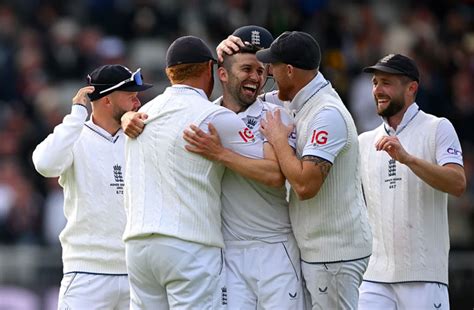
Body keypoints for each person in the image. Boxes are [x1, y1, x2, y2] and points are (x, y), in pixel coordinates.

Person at [122, 35, 265, 309]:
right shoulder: (214, 116)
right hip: (189, 245)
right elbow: (272, 170)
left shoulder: (140, 116)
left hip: (138, 247)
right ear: (209, 69)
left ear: (169, 73)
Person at [183, 25, 306, 309]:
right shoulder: (207, 113)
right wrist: (130, 119)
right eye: (247, 69)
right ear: (223, 73)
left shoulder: (275, 115)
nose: (256, 78)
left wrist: (220, 154)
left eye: (262, 71)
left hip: (275, 248)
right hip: (229, 252)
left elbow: (275, 175)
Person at [255, 31, 373, 309]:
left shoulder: (326, 114)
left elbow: (306, 185)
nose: (268, 72)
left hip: (335, 255)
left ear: (290, 70)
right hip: (321, 252)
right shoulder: (299, 100)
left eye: (273, 66)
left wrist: (278, 139)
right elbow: (241, 102)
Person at [32, 64, 153, 309]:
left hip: (136, 273)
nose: (138, 101)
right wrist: (76, 114)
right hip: (87, 273)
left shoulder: (142, 136)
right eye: (131, 95)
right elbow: (45, 164)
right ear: (107, 101)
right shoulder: (75, 136)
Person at [357, 54, 466, 309]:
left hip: (425, 276)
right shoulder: (364, 142)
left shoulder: (438, 128)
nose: (378, 90)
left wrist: (407, 159)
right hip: (374, 277)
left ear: (411, 88)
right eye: (375, 83)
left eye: (386, 83)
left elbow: (457, 183)